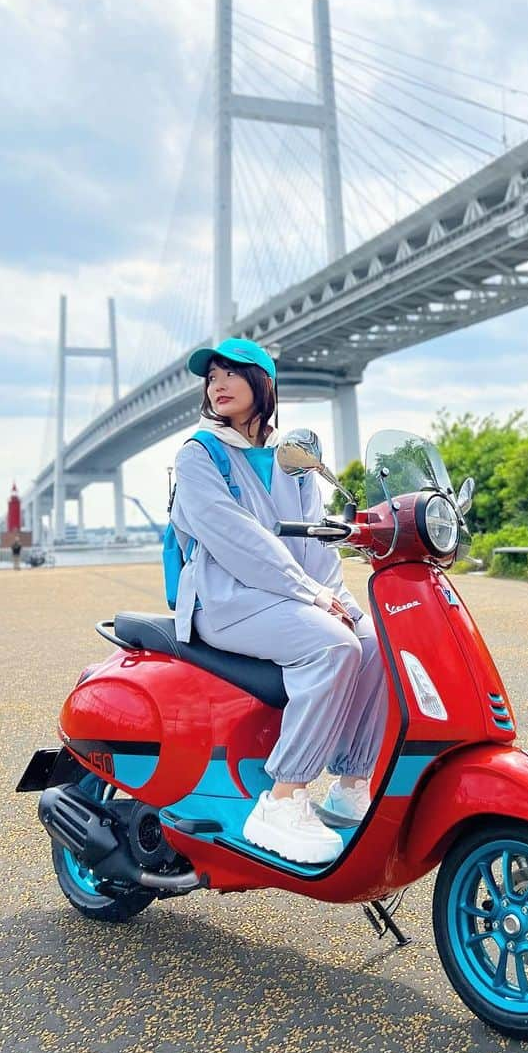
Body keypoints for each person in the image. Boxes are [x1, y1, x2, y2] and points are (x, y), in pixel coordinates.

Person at [169, 337, 387, 865]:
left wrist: (338, 599)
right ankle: (285, 796)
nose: (217, 384)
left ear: (263, 383)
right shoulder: (199, 455)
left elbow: (314, 545)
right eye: (212, 376)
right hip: (221, 601)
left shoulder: (293, 459)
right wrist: (311, 596)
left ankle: (351, 781)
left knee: (376, 642)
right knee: (333, 648)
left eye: (231, 373)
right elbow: (238, 542)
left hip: (286, 597)